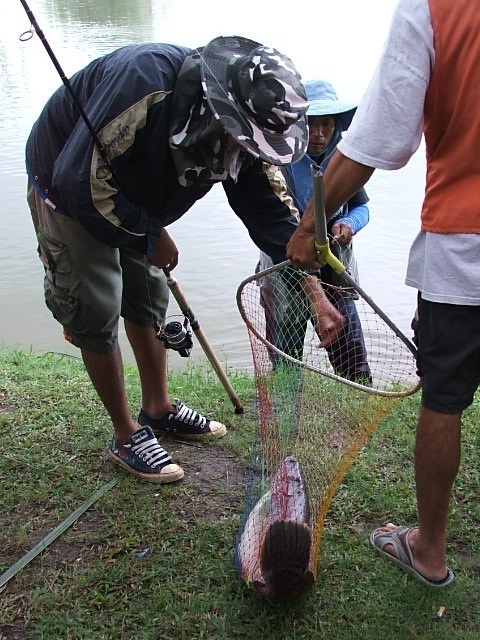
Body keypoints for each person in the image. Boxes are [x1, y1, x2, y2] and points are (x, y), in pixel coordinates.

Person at [26, 36, 345, 484]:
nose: (252, 148)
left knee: (149, 297)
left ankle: (157, 409)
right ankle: (125, 434)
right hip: (69, 190)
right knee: (95, 307)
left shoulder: (246, 134)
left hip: (138, 198)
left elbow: (270, 213)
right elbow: (80, 181)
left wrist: (314, 286)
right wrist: (148, 235)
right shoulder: (143, 84)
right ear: (224, 108)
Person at [286, 0, 480, 587]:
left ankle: (429, 551)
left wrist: (310, 226)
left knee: (443, 399)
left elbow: (382, 138)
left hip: (463, 247)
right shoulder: (287, 161)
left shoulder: (436, 8)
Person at [259, 79, 372, 382]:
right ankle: (286, 408)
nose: (320, 135)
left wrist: (349, 224)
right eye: (312, 125)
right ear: (298, 125)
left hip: (335, 267)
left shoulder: (345, 160)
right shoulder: (279, 160)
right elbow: (270, 224)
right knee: (285, 356)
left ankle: (357, 398)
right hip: (284, 265)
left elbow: (362, 207)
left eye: (328, 125)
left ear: (337, 126)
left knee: (351, 356)